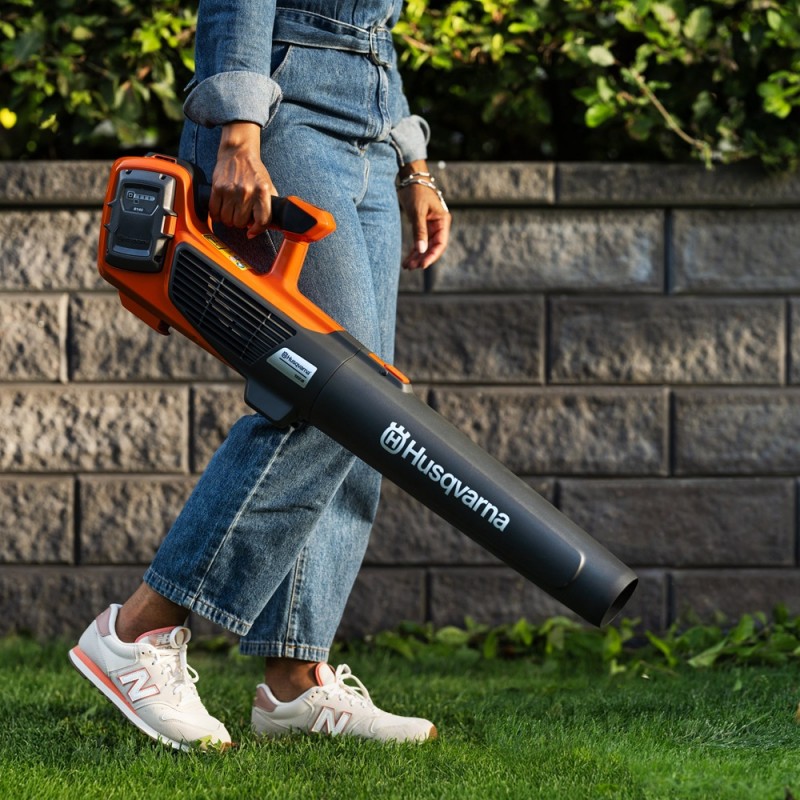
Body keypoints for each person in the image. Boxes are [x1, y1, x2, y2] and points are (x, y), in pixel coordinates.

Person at [68, 0, 451, 750]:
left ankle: (295, 683)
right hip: (287, 110)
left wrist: (413, 162)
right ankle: (139, 630)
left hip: (373, 124)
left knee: (369, 412)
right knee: (336, 395)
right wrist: (238, 129)